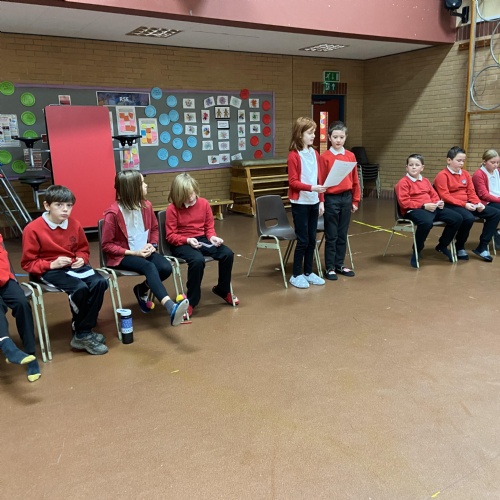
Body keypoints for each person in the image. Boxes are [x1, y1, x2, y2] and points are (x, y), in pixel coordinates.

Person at [21, 185, 109, 355]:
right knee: (79, 288)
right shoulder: (32, 229)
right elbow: (28, 263)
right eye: (59, 205)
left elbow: (83, 249)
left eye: (69, 205)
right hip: (48, 270)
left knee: (100, 282)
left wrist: (81, 258)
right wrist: (51, 264)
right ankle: (83, 333)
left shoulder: (74, 224)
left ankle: (83, 332)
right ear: (47, 206)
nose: (65, 209)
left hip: (73, 267)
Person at [101, 170, 188, 326]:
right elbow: (107, 245)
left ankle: (141, 289)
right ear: (132, 189)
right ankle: (170, 306)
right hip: (123, 256)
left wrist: (152, 245)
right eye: (142, 183)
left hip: (144, 251)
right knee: (149, 267)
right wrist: (134, 252)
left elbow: (154, 228)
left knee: (165, 267)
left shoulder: (146, 206)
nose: (146, 185)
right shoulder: (112, 214)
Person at [166, 173, 238, 317]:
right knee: (197, 260)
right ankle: (192, 301)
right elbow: (170, 236)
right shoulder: (172, 209)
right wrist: (187, 240)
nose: (191, 198)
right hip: (182, 242)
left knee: (227, 254)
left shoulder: (204, 204)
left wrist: (212, 238)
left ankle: (222, 289)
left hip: (202, 239)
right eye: (187, 195)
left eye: (192, 193)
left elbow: (209, 227)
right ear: (179, 195)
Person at [395, 154, 463, 268]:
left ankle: (442, 245)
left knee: (457, 218)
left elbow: (434, 195)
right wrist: (423, 206)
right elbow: (404, 203)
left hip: (431, 208)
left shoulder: (425, 181)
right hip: (413, 210)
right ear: (406, 167)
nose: (414, 167)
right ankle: (417, 249)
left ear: (422, 168)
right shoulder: (403, 183)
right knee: (426, 222)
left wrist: (438, 202)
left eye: (417, 165)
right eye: (411, 165)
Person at [434, 147, 500, 262]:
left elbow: (471, 192)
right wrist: (464, 205)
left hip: (467, 204)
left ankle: (482, 246)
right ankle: (460, 245)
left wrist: (477, 203)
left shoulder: (465, 174)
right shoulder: (442, 175)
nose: (461, 163)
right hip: (451, 205)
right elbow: (445, 196)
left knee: (495, 213)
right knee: (468, 218)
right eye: (459, 160)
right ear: (449, 160)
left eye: (463, 161)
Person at [287, 117, 326, 288]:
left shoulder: (315, 154)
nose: (313, 136)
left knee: (312, 239)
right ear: (300, 134)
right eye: (310, 133)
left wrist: (321, 201)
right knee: (302, 240)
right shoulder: (294, 156)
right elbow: (293, 182)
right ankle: (296, 274)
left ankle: (308, 272)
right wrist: (312, 188)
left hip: (314, 201)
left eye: (314, 132)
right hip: (300, 203)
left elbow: (319, 179)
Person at [319, 120, 360, 280]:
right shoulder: (324, 157)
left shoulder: (350, 156)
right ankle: (329, 267)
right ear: (329, 137)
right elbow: (321, 181)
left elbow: (355, 179)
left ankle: (339, 264)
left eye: (341, 137)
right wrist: (322, 201)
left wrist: (355, 200)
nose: (338, 140)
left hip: (346, 198)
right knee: (332, 234)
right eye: (335, 137)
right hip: (331, 198)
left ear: (345, 137)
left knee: (342, 234)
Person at [0, 234, 40, 381]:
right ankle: (7, 346)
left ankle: (31, 354)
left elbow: (2, 261)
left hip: (3, 279)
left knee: (22, 303)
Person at [471, 149, 500, 249]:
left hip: (496, 199)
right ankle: (487, 240)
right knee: (496, 213)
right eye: (493, 162)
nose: (495, 165)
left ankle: (498, 232)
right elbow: (484, 195)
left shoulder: (498, 171)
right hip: (485, 202)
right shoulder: (478, 174)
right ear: (484, 162)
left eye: (497, 162)